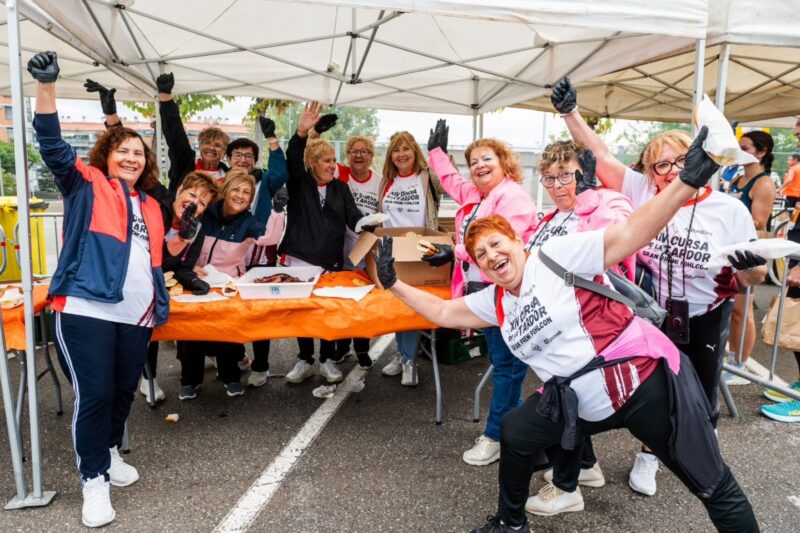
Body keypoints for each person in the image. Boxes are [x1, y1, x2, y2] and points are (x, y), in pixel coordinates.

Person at [374, 128, 759, 533]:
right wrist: (394, 284)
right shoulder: (498, 300)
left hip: (641, 384)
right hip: (580, 399)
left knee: (712, 484)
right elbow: (443, 312)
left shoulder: (555, 255)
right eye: (481, 255)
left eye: (496, 244)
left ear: (517, 241)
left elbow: (629, 234)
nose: (491, 256)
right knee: (517, 430)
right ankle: (511, 523)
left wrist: (686, 182)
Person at [552, 76, 767, 497]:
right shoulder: (644, 191)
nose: (671, 172)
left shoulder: (728, 210)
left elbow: (755, 278)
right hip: (654, 308)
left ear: (698, 160)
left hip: (707, 312)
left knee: (702, 393)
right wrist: (569, 113)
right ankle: (651, 454)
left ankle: (707, 458)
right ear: (649, 172)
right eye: (660, 165)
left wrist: (750, 269)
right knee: (659, 386)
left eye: (681, 161)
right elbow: (600, 153)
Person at [30, 51, 169, 528]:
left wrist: (183, 230)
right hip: (87, 308)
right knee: (94, 394)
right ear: (107, 157)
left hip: (137, 314)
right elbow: (50, 143)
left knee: (122, 392)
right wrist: (46, 87)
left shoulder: (151, 203)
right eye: (122, 150)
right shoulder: (85, 184)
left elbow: (155, 257)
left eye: (138, 152)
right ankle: (94, 480)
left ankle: (109, 452)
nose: (131, 157)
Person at [83, 78, 219, 403]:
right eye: (190, 195)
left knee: (153, 322)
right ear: (179, 190)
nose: (192, 204)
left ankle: (149, 375)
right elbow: (128, 156)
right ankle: (148, 377)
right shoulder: (155, 197)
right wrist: (115, 116)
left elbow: (176, 266)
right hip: (119, 277)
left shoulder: (195, 228)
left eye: (201, 203)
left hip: (156, 283)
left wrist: (189, 265)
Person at [521, 141, 634, 515]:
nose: (556, 185)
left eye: (566, 175)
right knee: (570, 401)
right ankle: (586, 467)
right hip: (555, 328)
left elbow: (618, 238)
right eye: (549, 178)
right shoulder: (549, 217)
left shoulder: (608, 202)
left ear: (584, 173)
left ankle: (567, 487)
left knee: (563, 403)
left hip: (590, 329)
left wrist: (588, 196)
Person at [424, 119, 537, 463]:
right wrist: (436, 153)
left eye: (487, 158)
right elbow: (451, 182)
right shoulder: (478, 195)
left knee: (507, 366)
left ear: (504, 162)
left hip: (508, 293)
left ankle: (496, 436)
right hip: (482, 291)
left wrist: (454, 252)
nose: (479, 166)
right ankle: (517, 431)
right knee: (504, 364)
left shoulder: (513, 198)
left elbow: (499, 247)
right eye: (473, 162)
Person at [279, 101, 368, 384]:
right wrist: (303, 131)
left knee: (327, 312)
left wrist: (367, 222)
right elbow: (293, 155)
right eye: (327, 161)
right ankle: (305, 360)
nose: (333, 165)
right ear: (312, 164)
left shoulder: (341, 188)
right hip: (299, 261)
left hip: (330, 263)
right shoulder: (299, 182)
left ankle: (327, 359)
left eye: (333, 160)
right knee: (304, 314)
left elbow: (353, 217)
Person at [177, 169, 286, 399]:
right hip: (196, 279)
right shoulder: (206, 214)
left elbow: (270, 238)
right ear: (225, 191)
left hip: (227, 284)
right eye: (235, 189)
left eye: (246, 192)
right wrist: (187, 267)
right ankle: (189, 380)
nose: (240, 195)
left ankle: (231, 377)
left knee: (224, 332)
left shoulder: (249, 222)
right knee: (190, 330)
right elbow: (183, 235)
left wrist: (277, 212)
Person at [224, 115, 289, 388]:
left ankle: (261, 365)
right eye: (237, 155)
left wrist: (272, 140)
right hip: (230, 260)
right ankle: (237, 357)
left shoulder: (264, 182)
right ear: (228, 160)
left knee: (261, 312)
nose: (243, 160)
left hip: (262, 256)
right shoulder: (220, 185)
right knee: (232, 310)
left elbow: (282, 174)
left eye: (248, 156)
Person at [377, 130, 443, 386]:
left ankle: (409, 360)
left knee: (412, 306)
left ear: (415, 151)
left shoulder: (425, 176)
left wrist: (440, 155)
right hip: (392, 250)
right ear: (391, 156)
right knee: (397, 305)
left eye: (406, 149)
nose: (401, 154)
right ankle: (401, 354)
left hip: (420, 250)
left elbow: (449, 184)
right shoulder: (386, 181)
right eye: (396, 149)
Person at [726, 131, 775, 384]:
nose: (739, 150)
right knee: (733, 309)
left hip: (749, 253)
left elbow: (759, 221)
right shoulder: (738, 177)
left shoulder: (763, 183)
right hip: (733, 250)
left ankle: (741, 366)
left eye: (744, 147)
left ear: (761, 152)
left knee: (743, 311)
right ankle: (734, 360)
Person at [334, 134, 382, 370]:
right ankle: (342, 347)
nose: (359, 155)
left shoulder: (380, 182)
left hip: (367, 250)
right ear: (348, 156)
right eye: (354, 150)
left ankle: (362, 348)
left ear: (371, 156)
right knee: (342, 302)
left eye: (364, 151)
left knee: (364, 302)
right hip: (340, 249)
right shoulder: (340, 175)